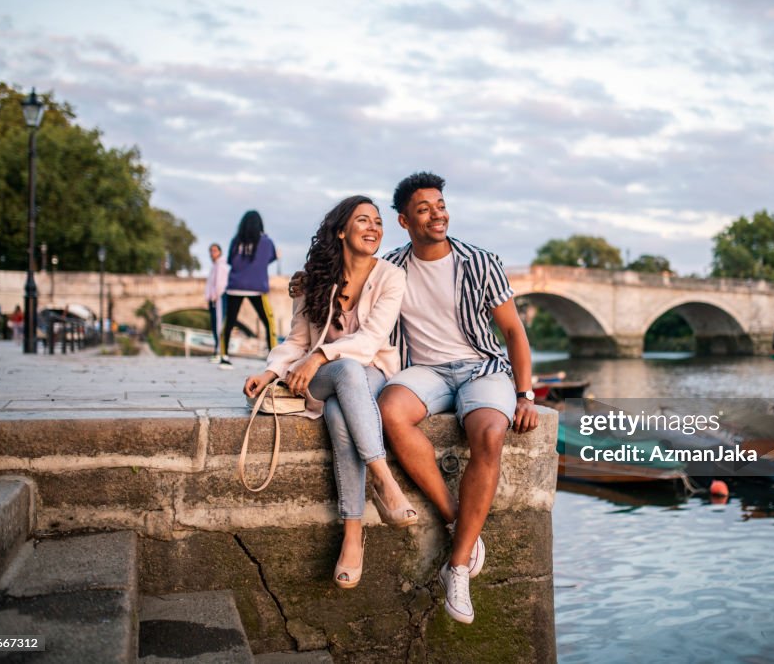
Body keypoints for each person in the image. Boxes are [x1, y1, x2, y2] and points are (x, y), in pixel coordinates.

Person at [377, 172, 540, 625]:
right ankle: (456, 519)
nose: (437, 214)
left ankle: (459, 564)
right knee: (389, 411)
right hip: (424, 371)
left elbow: (512, 332)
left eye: (441, 204)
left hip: (480, 367)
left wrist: (525, 394)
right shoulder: (389, 268)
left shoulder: (480, 262)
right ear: (404, 220)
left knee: (489, 433)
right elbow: (349, 300)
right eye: (425, 208)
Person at [243, 195, 417, 589]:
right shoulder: (313, 279)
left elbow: (372, 340)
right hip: (317, 377)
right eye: (362, 220)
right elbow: (296, 341)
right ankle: (385, 480)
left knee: (341, 409)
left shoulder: (391, 276)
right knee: (345, 374)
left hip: (369, 371)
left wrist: (321, 356)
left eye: (377, 221)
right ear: (341, 231)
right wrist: (271, 371)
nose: (374, 227)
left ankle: (353, 536)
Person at [220, 210, 277, 369]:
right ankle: (272, 355)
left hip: (235, 286)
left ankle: (224, 357)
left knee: (229, 322)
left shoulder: (236, 241)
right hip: (256, 287)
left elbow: (231, 261)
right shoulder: (266, 242)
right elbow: (270, 258)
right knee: (268, 321)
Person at [205, 243, 230, 363]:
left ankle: (220, 351)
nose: (212, 253)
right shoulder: (214, 266)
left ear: (220, 252)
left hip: (219, 298)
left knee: (219, 324)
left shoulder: (221, 265)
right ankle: (217, 349)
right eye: (211, 251)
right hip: (213, 299)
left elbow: (221, 283)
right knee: (215, 324)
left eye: (214, 250)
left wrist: (215, 296)